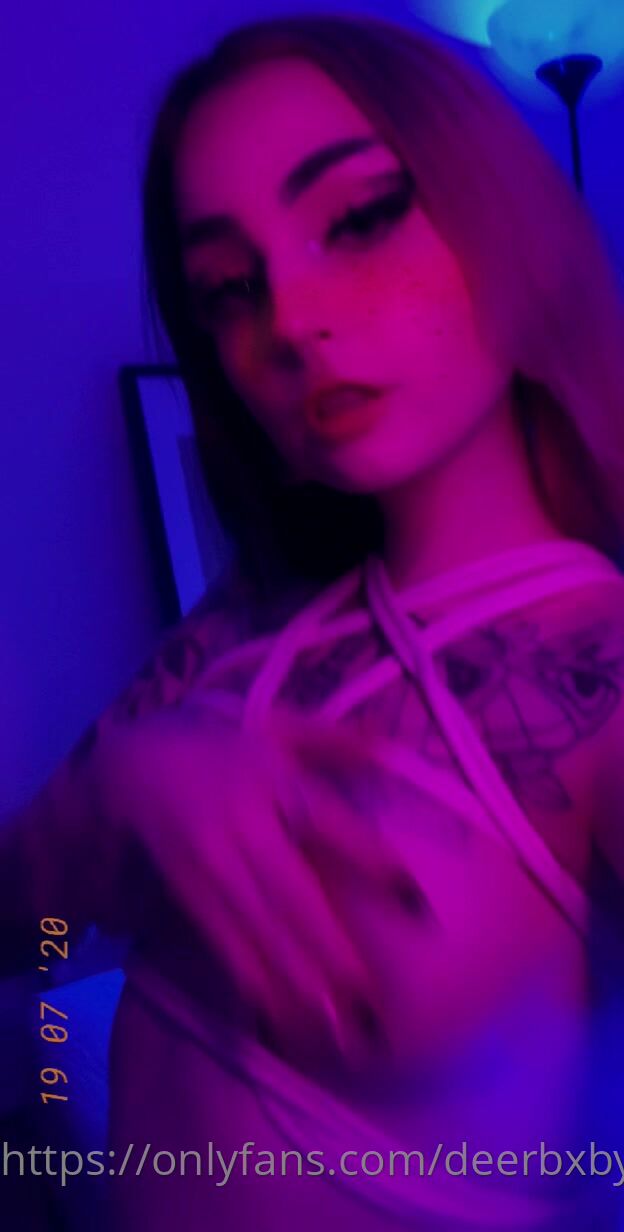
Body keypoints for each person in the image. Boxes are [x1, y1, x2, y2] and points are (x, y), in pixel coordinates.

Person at [3, 11, 624, 1230]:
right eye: (229, 289)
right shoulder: (244, 621)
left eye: (361, 217)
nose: (289, 320)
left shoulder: (598, 665)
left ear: (506, 215)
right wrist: (108, 799)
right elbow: (26, 932)